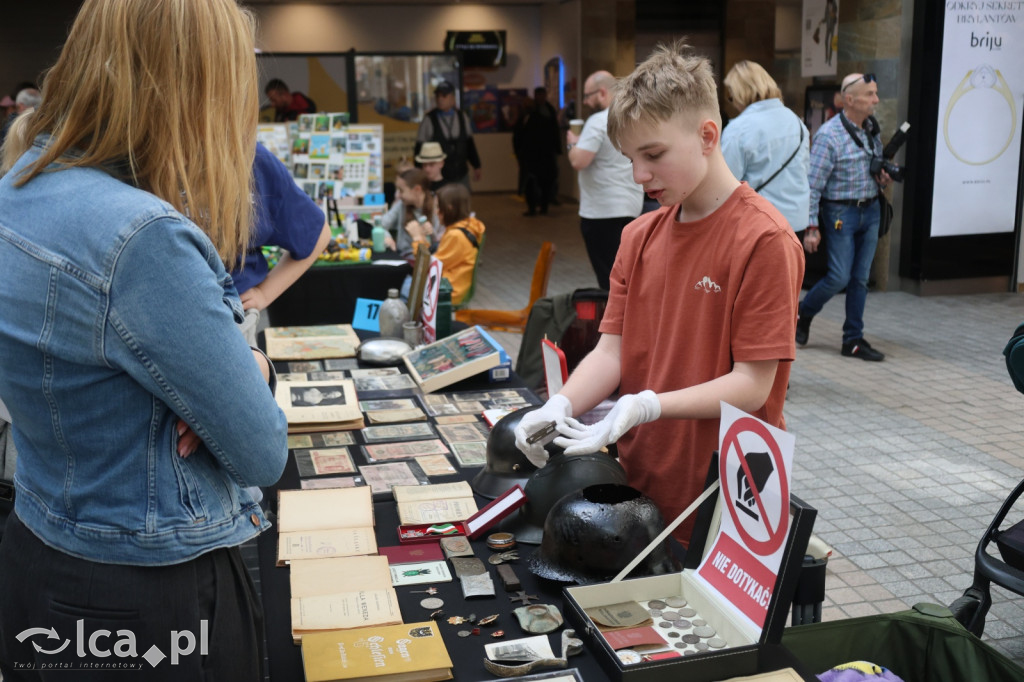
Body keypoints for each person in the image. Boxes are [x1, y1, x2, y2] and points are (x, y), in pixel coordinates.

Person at [0, 1, 287, 680]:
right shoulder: (140, 237)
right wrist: (252, 366)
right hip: (150, 596)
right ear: (191, 83)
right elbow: (260, 449)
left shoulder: (19, 186)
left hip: (42, 547)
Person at [513, 41, 803, 546]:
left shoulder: (764, 240)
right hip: (637, 488)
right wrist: (558, 405)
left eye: (654, 155)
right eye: (630, 159)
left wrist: (648, 404)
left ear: (707, 135)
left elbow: (754, 385)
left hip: (728, 496)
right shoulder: (638, 236)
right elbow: (613, 351)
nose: (640, 176)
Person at [797, 72, 891, 362]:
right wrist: (812, 225)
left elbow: (873, 166)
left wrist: (883, 176)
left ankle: (853, 339)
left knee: (860, 279)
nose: (876, 99)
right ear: (850, 100)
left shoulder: (871, 128)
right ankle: (803, 313)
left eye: (876, 93)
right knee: (839, 276)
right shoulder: (829, 135)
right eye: (870, 94)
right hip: (840, 213)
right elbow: (813, 184)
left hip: (871, 209)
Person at [235, 143, 332, 345]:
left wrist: (264, 293)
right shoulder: (156, 153)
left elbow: (317, 234)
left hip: (235, 320)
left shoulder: (253, 158)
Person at [566, 70, 643, 291]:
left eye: (588, 95)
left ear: (602, 93)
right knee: (627, 275)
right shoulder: (633, 117)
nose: (585, 101)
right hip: (630, 207)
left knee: (609, 279)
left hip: (601, 212)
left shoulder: (598, 121)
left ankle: (614, 323)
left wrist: (573, 143)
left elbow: (579, 161)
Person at [721, 60, 810, 233]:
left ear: (741, 93)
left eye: (731, 96)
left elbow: (726, 185)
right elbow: (804, 170)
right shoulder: (796, 121)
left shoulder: (738, 129)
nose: (733, 103)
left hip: (760, 223)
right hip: (796, 221)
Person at [406, 183, 485, 306]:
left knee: (404, 286)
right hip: (449, 284)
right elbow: (439, 258)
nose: (436, 212)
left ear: (448, 208)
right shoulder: (467, 226)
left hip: (448, 290)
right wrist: (425, 239)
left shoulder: (456, 235)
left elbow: (428, 266)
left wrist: (417, 239)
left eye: (438, 207)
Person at [415, 80, 482, 190]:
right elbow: (419, 149)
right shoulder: (429, 119)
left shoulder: (462, 117)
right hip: (439, 176)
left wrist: (477, 165)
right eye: (437, 96)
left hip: (461, 173)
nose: (440, 99)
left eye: (444, 95)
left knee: (462, 202)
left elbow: (469, 144)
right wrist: (419, 172)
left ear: (452, 98)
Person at [515, 87, 561, 216]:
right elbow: (519, 133)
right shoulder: (529, 112)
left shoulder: (548, 110)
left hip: (546, 153)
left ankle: (544, 206)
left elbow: (554, 131)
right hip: (531, 154)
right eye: (538, 95)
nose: (541, 97)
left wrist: (556, 149)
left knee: (546, 181)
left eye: (542, 95)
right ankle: (532, 207)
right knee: (530, 182)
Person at [381, 167, 441, 260]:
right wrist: (387, 238)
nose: (398, 195)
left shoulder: (436, 206)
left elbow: (440, 241)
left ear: (417, 189)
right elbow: (381, 224)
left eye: (401, 191)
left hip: (427, 260)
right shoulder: (401, 205)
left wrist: (430, 232)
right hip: (404, 257)